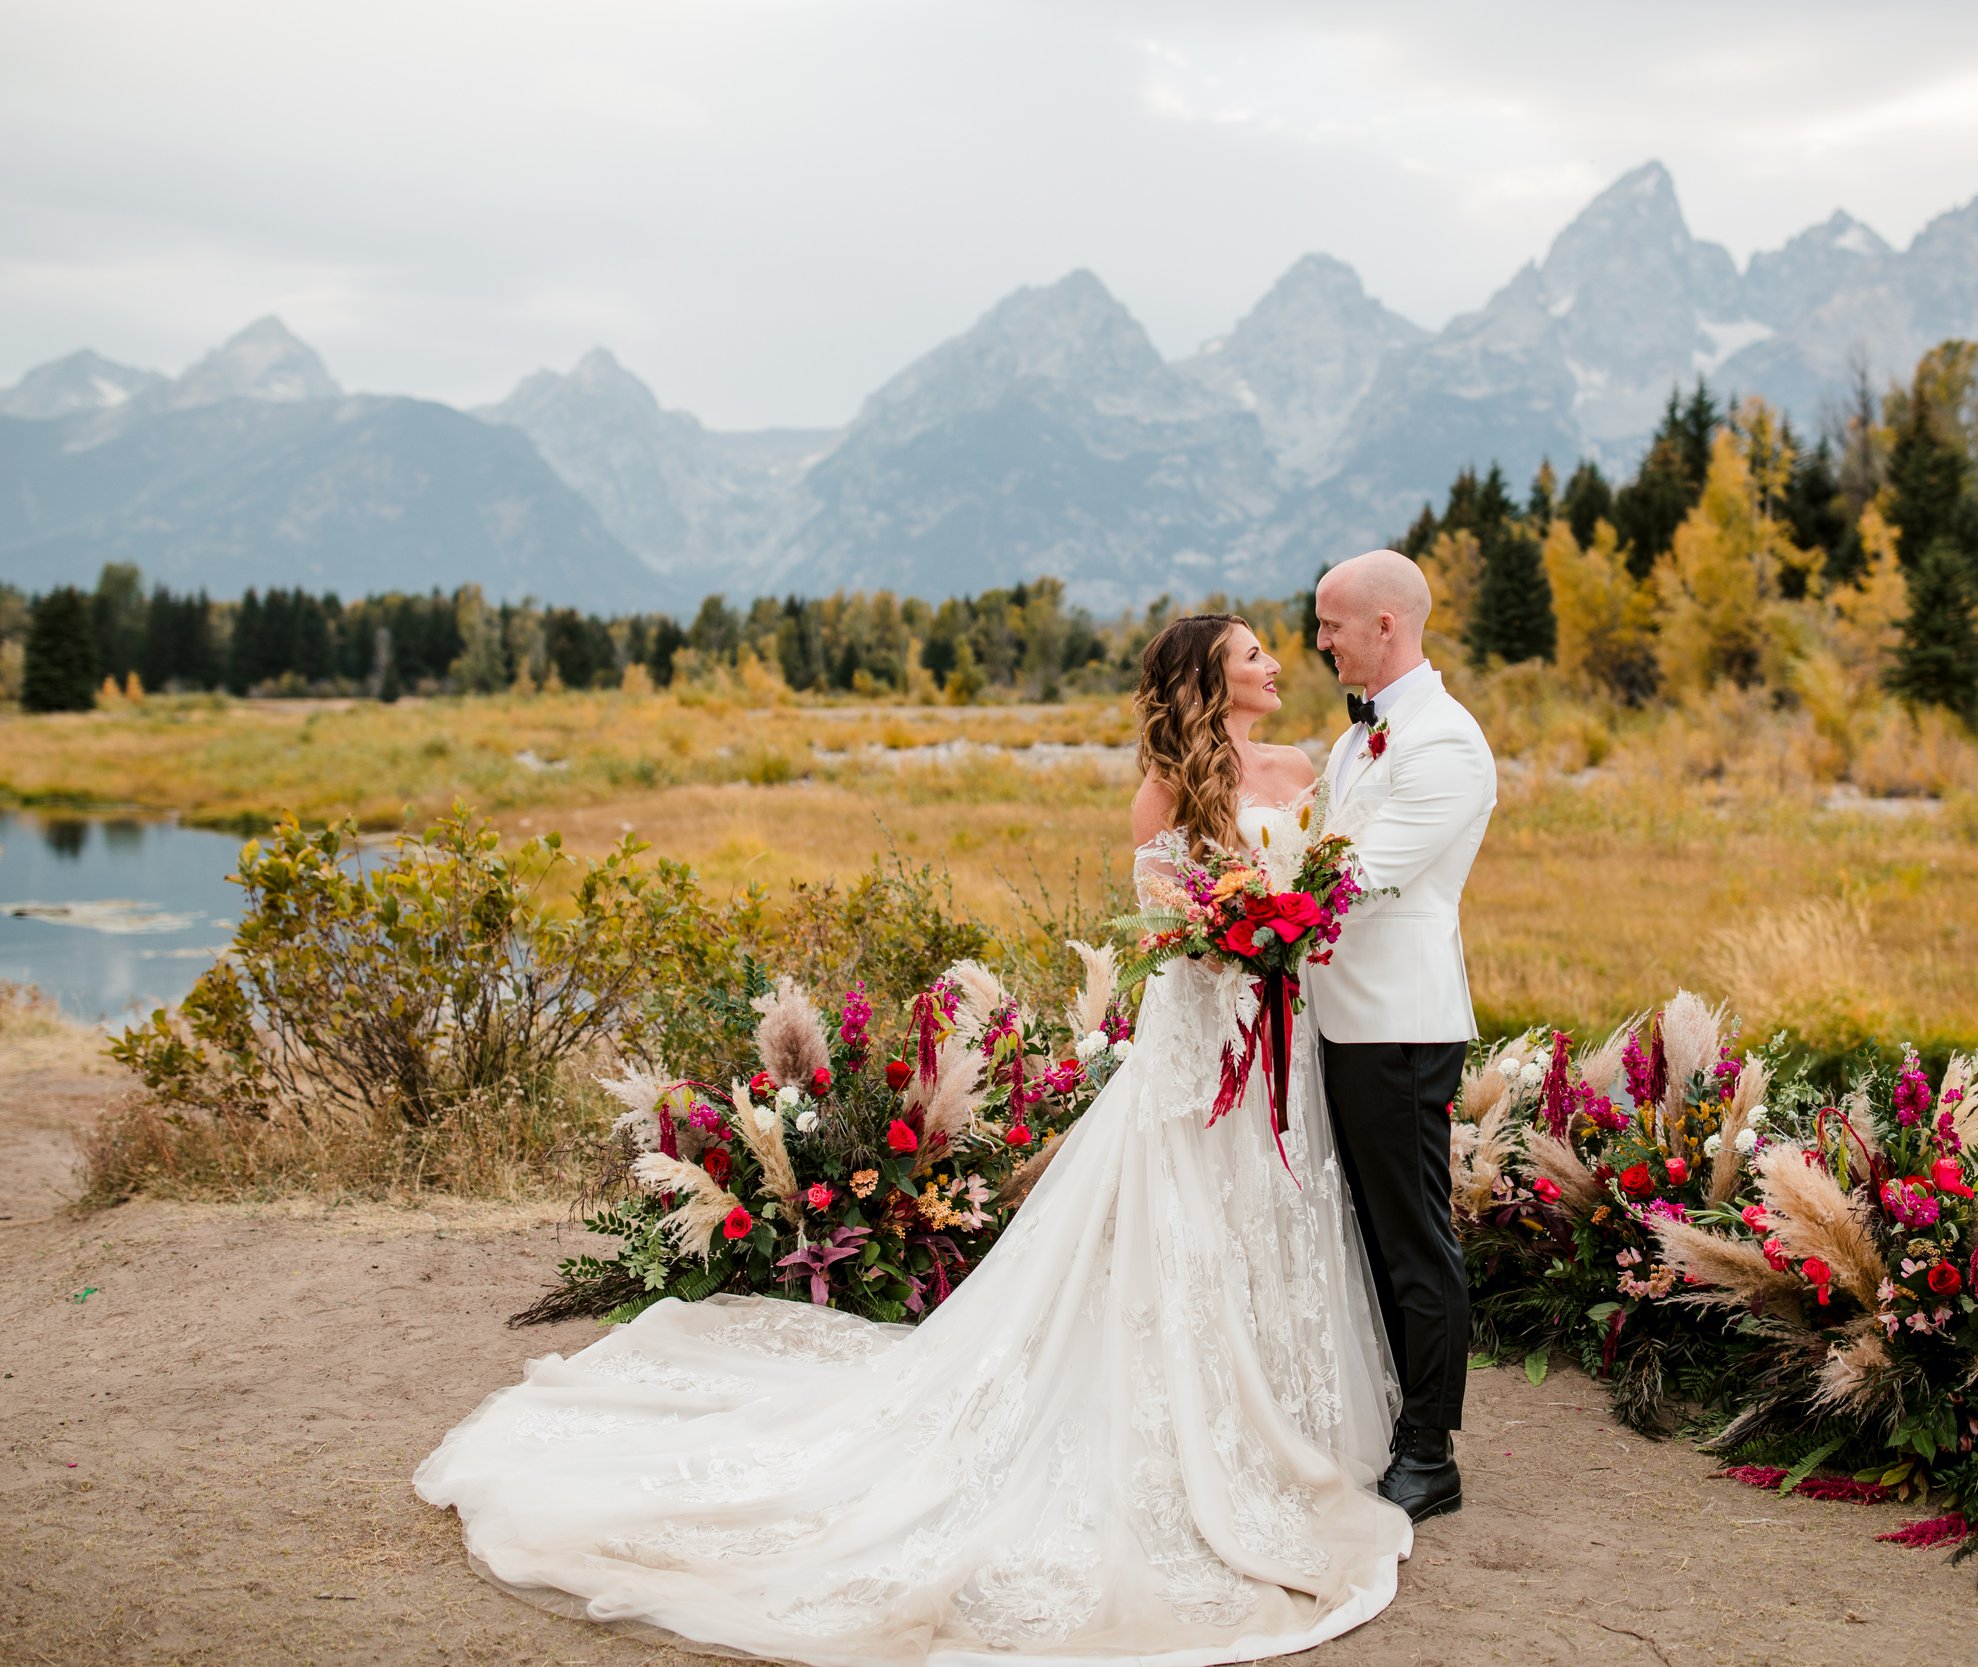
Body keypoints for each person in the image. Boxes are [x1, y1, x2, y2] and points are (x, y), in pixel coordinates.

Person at [414, 613, 1411, 1666]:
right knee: (1182, 1228)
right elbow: (1166, 926)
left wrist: (1289, 923)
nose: (1273, 663)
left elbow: (1327, 882)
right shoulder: (1161, 793)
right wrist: (1230, 928)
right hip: (1195, 1042)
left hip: (1280, 1037)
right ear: (1209, 679)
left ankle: (1285, 1422)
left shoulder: (1303, 764)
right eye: (1253, 652)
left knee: (1272, 1213)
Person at [1304, 549, 1497, 1525]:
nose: (1320, 639)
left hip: (1399, 1022)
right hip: (1338, 1016)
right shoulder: (1357, 741)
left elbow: (1359, 873)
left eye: (1332, 622)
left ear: (1386, 624)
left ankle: (1431, 1450)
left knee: (1414, 1234)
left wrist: (1243, 911)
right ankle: (1387, 1414)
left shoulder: (1446, 743)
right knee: (1365, 1229)